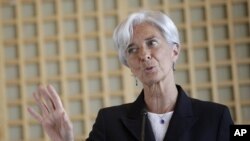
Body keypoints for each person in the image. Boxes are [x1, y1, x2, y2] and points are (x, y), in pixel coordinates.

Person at [28, 10, 234, 141]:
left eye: (152, 43)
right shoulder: (109, 122)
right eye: (132, 50)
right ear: (128, 64)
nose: (144, 55)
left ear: (174, 51)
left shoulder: (216, 117)